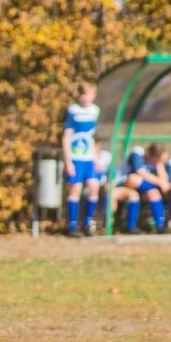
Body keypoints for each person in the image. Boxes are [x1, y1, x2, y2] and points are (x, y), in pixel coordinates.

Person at [62, 81, 100, 237]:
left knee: (94, 187)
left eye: (88, 94)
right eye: (82, 94)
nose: (85, 98)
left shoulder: (95, 111)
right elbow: (66, 137)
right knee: (75, 189)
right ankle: (72, 226)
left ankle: (88, 222)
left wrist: (96, 158)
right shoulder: (73, 110)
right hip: (75, 156)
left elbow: (91, 136)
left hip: (88, 157)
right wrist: (68, 161)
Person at [117, 143, 171, 234]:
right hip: (123, 184)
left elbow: (164, 180)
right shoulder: (137, 153)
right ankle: (130, 226)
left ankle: (160, 225)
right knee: (134, 179)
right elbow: (140, 172)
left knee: (153, 193)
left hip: (143, 187)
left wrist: (160, 164)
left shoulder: (156, 162)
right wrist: (159, 183)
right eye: (157, 159)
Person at [95, 139, 142, 234]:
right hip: (94, 188)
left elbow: (113, 175)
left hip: (110, 186)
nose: (96, 148)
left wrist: (110, 183)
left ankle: (130, 226)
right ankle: (107, 225)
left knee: (133, 195)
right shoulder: (85, 158)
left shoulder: (106, 157)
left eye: (97, 145)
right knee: (110, 194)